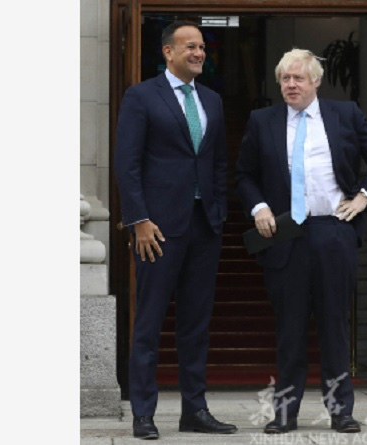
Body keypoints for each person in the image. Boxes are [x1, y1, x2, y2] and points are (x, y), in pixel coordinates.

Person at [235, 48, 367, 434]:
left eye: (298, 78)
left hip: (333, 231)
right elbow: (244, 174)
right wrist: (258, 207)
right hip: (286, 234)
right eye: (285, 79)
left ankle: (341, 411)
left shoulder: (345, 115)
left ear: (315, 81)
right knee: (289, 328)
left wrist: (363, 197)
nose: (290, 85)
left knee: (334, 325)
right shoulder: (263, 120)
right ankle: (285, 413)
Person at [114, 21, 236, 439]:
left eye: (201, 47)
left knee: (196, 325)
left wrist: (218, 211)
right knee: (148, 322)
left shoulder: (213, 101)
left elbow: (218, 161)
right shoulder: (142, 96)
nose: (199, 53)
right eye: (190, 46)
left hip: (204, 227)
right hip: (158, 230)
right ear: (168, 52)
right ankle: (144, 414)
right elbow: (127, 164)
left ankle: (194, 411)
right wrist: (139, 220)